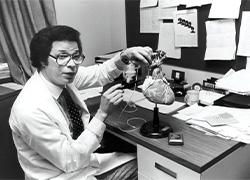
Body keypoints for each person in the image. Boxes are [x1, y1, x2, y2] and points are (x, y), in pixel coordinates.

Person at [9, 25, 152, 180]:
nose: (72, 65)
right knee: (147, 168)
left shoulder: (60, 76)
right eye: (62, 56)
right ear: (42, 60)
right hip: (63, 173)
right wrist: (102, 114)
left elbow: (100, 73)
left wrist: (124, 56)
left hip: (83, 164)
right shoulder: (29, 108)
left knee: (144, 160)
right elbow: (70, 161)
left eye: (76, 56)